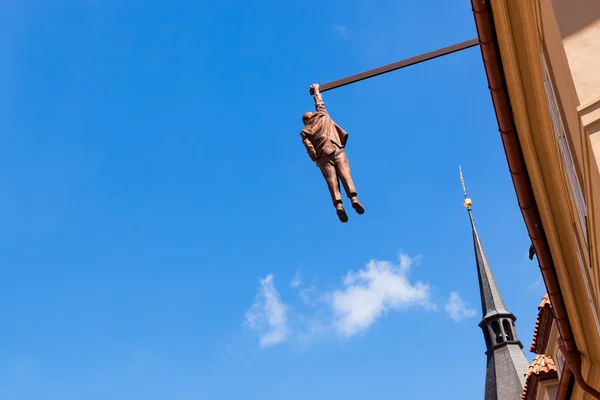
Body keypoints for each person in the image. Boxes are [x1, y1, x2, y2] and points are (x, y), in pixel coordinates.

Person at [300, 83, 364, 223]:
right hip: (336, 148)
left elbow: (309, 147)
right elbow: (319, 102)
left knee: (332, 182)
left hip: (323, 155)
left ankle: (338, 205)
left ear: (305, 122)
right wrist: (316, 89)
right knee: (345, 175)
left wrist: (315, 157)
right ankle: (353, 198)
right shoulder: (322, 115)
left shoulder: (305, 131)